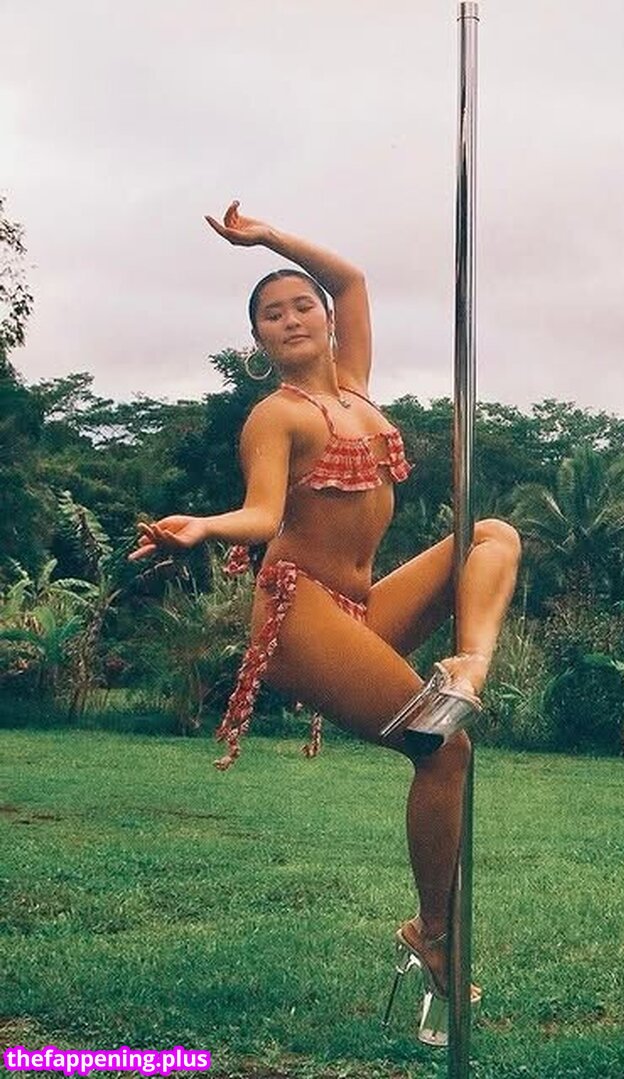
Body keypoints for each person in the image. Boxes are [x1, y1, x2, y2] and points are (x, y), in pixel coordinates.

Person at [131, 201, 521, 1040]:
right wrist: (202, 527)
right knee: (444, 748)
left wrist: (266, 238)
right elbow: (262, 511)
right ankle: (433, 934)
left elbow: (351, 278)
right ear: (259, 342)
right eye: (272, 314)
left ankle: (472, 663)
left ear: (326, 319)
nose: (292, 317)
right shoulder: (275, 416)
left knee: (491, 536)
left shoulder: (354, 389)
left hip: (358, 609)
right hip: (296, 608)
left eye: (301, 304)